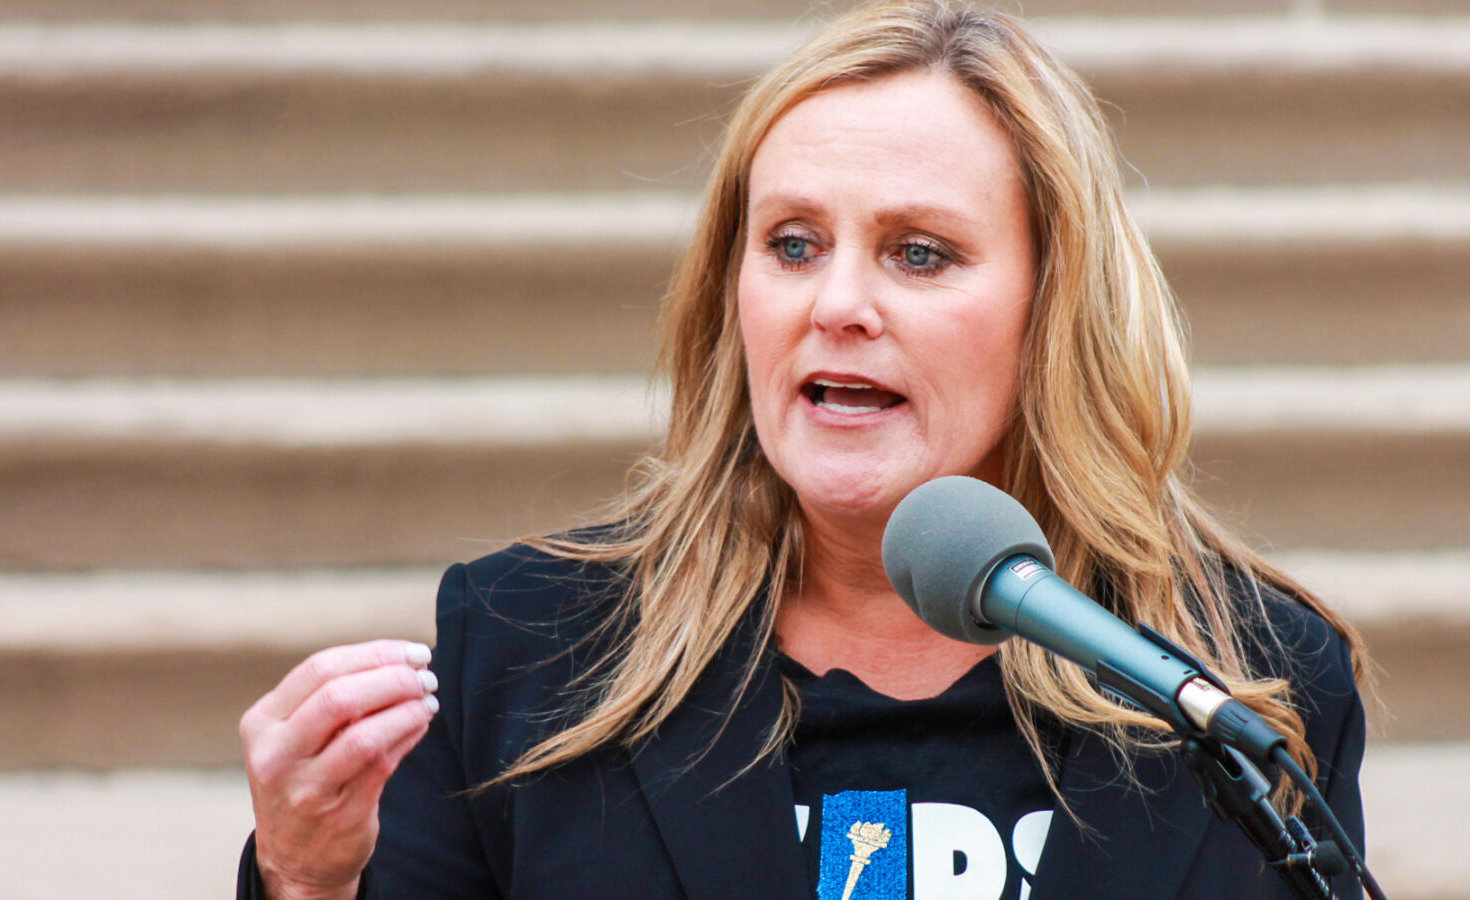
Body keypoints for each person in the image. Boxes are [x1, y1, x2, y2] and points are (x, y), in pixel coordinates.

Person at [236, 2, 1370, 898]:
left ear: (1051, 311)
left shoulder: (1251, 684)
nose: (838, 303)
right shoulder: (523, 650)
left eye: (919, 254)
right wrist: (304, 877)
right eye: (791, 243)